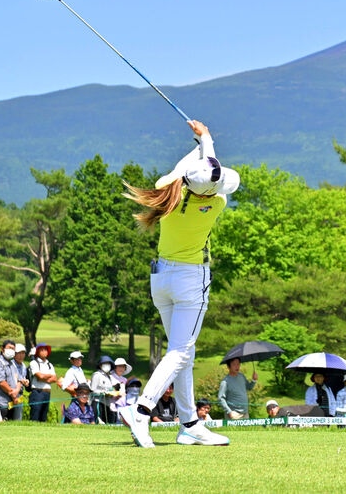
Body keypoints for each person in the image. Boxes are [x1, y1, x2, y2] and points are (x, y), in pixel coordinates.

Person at [120, 120, 240, 449]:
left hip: (161, 279)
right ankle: (142, 409)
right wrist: (207, 140)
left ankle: (189, 424)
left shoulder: (167, 195)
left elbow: (189, 171)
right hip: (190, 279)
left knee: (184, 351)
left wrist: (202, 142)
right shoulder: (215, 203)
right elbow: (211, 176)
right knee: (181, 350)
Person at [0, 339, 24, 421]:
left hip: (13, 402)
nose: (11, 350)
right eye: (9, 348)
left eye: (13, 349)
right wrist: (13, 394)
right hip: (2, 403)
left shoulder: (13, 364)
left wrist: (16, 391)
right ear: (2, 349)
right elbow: (1, 382)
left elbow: (19, 380)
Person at [28, 343, 57, 422]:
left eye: (45, 350)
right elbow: (39, 376)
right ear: (38, 352)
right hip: (37, 392)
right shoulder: (34, 363)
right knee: (35, 416)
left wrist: (44, 377)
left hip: (47, 393)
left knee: (43, 417)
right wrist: (49, 376)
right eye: (42, 350)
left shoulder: (49, 364)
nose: (44, 352)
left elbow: (54, 379)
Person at [89, 355, 120, 424]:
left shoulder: (108, 377)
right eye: (105, 364)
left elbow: (109, 389)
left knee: (106, 423)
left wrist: (113, 390)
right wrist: (102, 392)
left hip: (107, 403)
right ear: (100, 365)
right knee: (98, 422)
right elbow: (92, 390)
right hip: (97, 402)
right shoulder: (97, 375)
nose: (107, 366)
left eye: (109, 364)